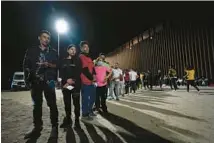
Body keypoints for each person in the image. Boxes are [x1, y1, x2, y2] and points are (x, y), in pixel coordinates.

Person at [23, 30, 58, 139]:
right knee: (36, 106)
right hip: (35, 82)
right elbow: (26, 65)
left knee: (52, 105)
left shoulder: (53, 52)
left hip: (49, 82)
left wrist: (49, 64)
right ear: (39, 38)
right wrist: (26, 80)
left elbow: (58, 66)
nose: (46, 39)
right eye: (44, 37)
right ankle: (37, 127)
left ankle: (54, 127)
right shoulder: (31, 50)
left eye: (48, 38)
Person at [59, 44, 82, 129]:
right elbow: (61, 73)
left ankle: (77, 121)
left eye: (75, 50)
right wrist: (65, 81)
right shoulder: (63, 61)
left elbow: (79, 72)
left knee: (76, 104)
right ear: (68, 50)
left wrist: (72, 80)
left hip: (75, 86)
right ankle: (68, 119)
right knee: (67, 104)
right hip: (66, 86)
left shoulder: (78, 60)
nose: (73, 51)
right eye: (71, 49)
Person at [79, 41, 97, 120]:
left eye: (88, 47)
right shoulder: (81, 57)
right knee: (85, 99)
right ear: (82, 48)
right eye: (85, 47)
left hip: (91, 82)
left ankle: (90, 110)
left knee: (93, 97)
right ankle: (85, 114)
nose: (87, 48)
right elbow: (84, 70)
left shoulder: (89, 58)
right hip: (85, 82)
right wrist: (92, 78)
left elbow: (93, 69)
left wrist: (94, 76)